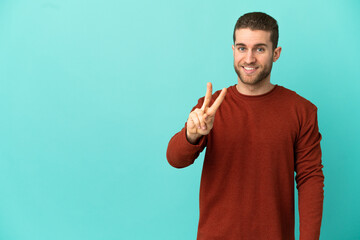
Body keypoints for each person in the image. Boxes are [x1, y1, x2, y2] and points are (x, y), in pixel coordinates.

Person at [166, 12, 324, 240]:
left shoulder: (302, 111)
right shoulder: (210, 107)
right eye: (242, 48)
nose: (249, 58)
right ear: (233, 51)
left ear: (276, 53)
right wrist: (190, 135)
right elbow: (174, 159)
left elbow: (310, 178)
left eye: (259, 49)